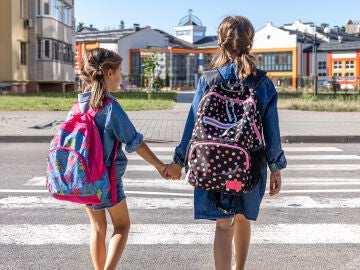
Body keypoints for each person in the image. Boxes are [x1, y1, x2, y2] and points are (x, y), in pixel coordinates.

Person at [166, 16, 287, 270]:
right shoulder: (262, 83)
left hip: (213, 162)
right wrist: (276, 167)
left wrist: (179, 160)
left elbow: (192, 124)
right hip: (249, 164)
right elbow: (271, 132)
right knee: (243, 219)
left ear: (221, 43)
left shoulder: (208, 80)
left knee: (223, 225)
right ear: (250, 43)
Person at [74, 48, 167, 270]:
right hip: (107, 180)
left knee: (98, 228)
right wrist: (160, 166)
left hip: (84, 179)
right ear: (108, 72)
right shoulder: (111, 108)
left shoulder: (78, 106)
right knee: (122, 226)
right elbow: (135, 142)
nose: (121, 77)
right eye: (119, 72)